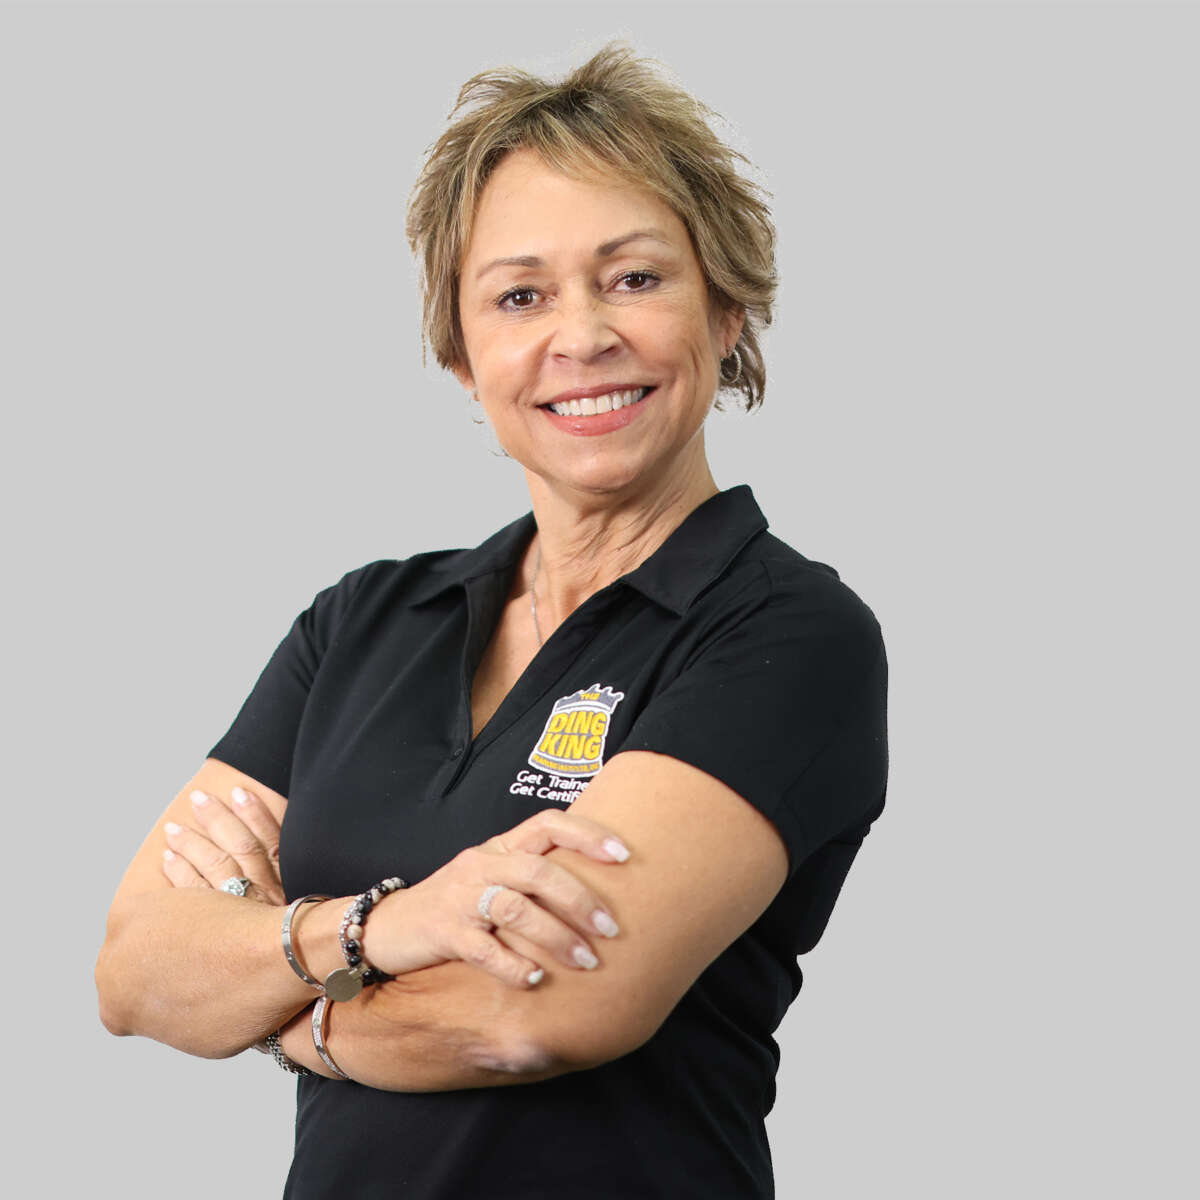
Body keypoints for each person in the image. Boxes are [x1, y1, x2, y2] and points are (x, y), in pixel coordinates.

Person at [95, 41, 889, 1199]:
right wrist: (375, 933)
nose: (580, 336)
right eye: (520, 296)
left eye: (634, 278)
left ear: (727, 311)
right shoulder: (361, 623)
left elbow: (542, 1008)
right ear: (465, 360)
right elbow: (133, 973)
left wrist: (281, 1010)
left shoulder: (784, 632)